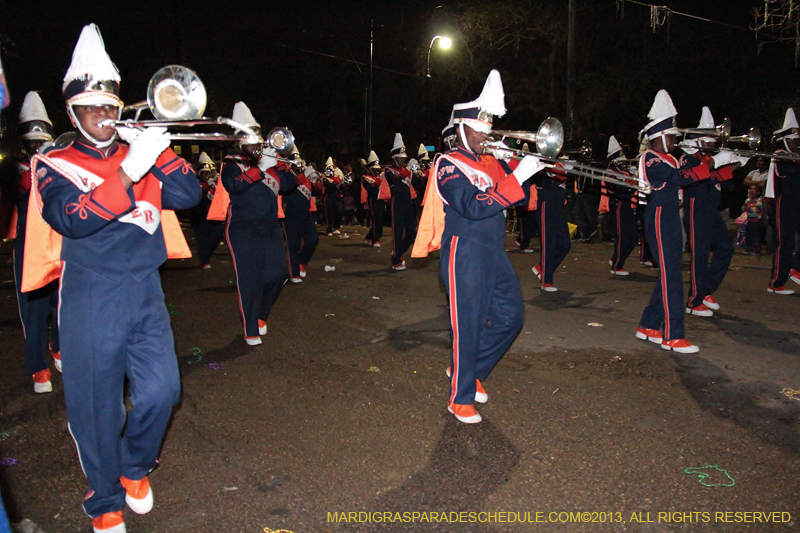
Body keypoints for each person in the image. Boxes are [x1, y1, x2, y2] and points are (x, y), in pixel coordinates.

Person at [31, 24, 201, 533]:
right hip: (91, 292)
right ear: (72, 113)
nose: (102, 116)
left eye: (109, 106)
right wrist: (130, 171)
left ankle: (134, 465)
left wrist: (157, 151)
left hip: (146, 290)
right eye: (89, 107)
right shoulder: (53, 162)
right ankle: (103, 497)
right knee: (95, 405)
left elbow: (189, 195)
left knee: (163, 391)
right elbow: (72, 218)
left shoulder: (139, 153)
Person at [412, 69, 544, 424]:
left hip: (493, 251)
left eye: (488, 131)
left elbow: (519, 199)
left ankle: (469, 370)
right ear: (461, 129)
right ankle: (460, 397)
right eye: (479, 131)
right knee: (467, 324)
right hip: (464, 251)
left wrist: (520, 166)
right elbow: (472, 205)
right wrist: (516, 176)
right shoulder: (447, 164)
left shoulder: (490, 162)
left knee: (511, 317)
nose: (486, 137)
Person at [634, 90, 726, 353]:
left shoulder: (669, 157)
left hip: (671, 216)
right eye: (672, 136)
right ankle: (673, 335)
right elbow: (680, 178)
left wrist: (716, 164)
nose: (676, 140)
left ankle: (648, 324)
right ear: (659, 136)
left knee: (670, 272)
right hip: (659, 217)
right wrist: (710, 163)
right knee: (672, 277)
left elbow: (688, 176)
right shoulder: (651, 157)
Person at [5, 91, 61, 393]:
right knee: (33, 310)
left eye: (41, 140)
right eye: (31, 142)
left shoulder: (58, 162)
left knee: (64, 302)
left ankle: (59, 346)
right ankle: (38, 367)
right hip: (29, 248)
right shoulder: (13, 171)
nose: (37, 146)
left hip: (59, 242)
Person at [221, 102, 291, 344]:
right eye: (250, 139)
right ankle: (250, 328)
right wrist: (260, 168)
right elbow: (234, 185)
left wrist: (283, 166)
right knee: (249, 280)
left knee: (278, 274)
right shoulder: (231, 162)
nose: (256, 144)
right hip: (242, 228)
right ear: (240, 141)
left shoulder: (269, 161)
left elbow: (289, 187)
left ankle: (261, 315)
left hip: (270, 227)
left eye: (257, 139)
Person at [680, 107, 739, 317]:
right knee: (700, 255)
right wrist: (719, 160)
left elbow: (716, 178)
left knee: (726, 248)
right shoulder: (689, 158)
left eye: (714, 141)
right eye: (710, 141)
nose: (713, 144)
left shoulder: (707, 159)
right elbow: (696, 176)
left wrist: (737, 162)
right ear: (699, 141)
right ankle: (694, 301)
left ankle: (705, 290)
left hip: (710, 210)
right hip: (696, 210)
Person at [765, 108, 800, 294]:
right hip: (782, 204)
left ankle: (795, 267)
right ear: (785, 140)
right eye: (792, 140)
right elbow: (788, 171)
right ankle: (776, 282)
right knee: (784, 243)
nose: (796, 143)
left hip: (796, 203)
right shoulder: (779, 155)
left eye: (797, 139)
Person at [531, 157, 570, 291]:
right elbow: (545, 184)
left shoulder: (556, 166)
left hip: (558, 207)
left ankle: (542, 268)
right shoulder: (542, 166)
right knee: (549, 244)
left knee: (565, 244)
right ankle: (546, 281)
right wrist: (560, 170)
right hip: (546, 206)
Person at [282, 148, 321, 282]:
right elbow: (288, 188)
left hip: (305, 213)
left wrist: (315, 181)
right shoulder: (286, 175)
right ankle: (293, 273)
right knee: (293, 243)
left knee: (313, 240)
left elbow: (316, 192)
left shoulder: (304, 176)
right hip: (290, 213)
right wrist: (304, 175)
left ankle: (301, 261)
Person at [384, 133, 421, 270]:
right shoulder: (389, 170)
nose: (402, 160)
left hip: (408, 204)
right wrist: (408, 170)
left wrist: (416, 172)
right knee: (398, 233)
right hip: (397, 204)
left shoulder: (407, 171)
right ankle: (396, 260)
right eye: (400, 158)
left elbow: (418, 185)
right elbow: (395, 182)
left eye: (404, 158)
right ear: (394, 157)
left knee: (411, 233)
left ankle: (398, 253)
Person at [605, 136, 638, 275]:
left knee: (633, 236)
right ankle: (617, 266)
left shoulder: (623, 173)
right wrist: (630, 182)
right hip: (617, 206)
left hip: (626, 205)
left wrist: (634, 176)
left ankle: (616, 259)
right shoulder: (609, 174)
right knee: (622, 237)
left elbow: (633, 188)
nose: (624, 165)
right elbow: (618, 188)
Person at [191, 152, 225, 269]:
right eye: (204, 173)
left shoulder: (214, 183)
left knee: (217, 235)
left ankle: (206, 255)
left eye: (208, 173)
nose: (206, 175)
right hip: (199, 217)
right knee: (202, 240)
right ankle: (205, 260)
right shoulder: (195, 183)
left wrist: (217, 186)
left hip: (214, 216)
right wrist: (207, 187)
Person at [362, 151, 385, 247]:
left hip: (381, 200)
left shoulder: (380, 177)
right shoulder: (366, 177)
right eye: (374, 169)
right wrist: (379, 182)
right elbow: (370, 188)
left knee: (380, 219)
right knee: (375, 219)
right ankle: (375, 239)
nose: (376, 171)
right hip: (373, 200)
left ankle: (370, 236)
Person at [322, 157, 343, 236]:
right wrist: (334, 181)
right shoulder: (325, 179)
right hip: (329, 197)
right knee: (329, 214)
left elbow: (340, 181)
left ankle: (336, 227)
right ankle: (329, 229)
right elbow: (328, 184)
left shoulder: (336, 177)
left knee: (339, 211)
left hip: (337, 197)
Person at [742, 185, 764, 254]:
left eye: (754, 189)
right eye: (750, 189)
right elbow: (743, 209)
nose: (751, 191)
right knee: (749, 234)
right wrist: (748, 206)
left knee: (756, 235)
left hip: (757, 221)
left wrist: (749, 206)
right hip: (750, 220)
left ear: (758, 192)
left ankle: (757, 248)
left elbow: (755, 210)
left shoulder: (760, 200)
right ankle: (749, 247)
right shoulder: (748, 200)